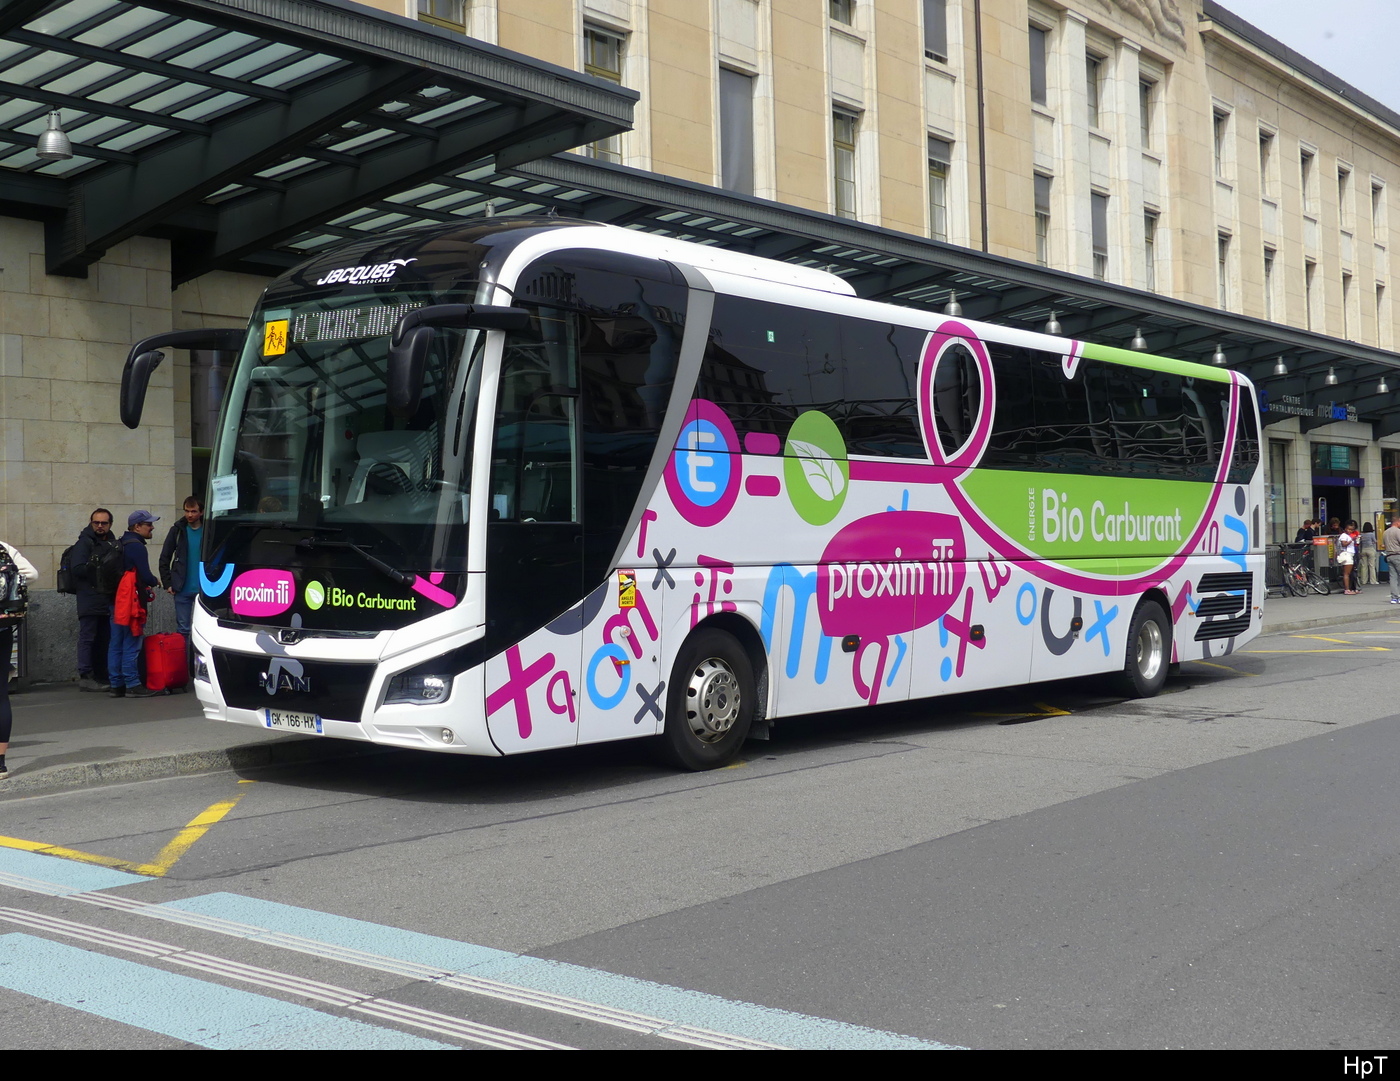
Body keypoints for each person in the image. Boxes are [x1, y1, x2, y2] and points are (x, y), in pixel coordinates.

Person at [109, 510, 161, 698]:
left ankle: (116, 684)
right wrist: (155, 580)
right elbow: (145, 575)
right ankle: (133, 683)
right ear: (137, 527)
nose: (152, 527)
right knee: (132, 641)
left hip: (115, 600)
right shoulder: (137, 546)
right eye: (148, 524)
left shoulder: (121, 543)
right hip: (131, 602)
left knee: (116, 643)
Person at [70, 507, 121, 692]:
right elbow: (77, 569)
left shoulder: (112, 541)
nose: (100, 526)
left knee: (104, 638)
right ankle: (86, 676)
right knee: (88, 638)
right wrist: (98, 567)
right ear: (91, 523)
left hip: (105, 599)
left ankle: (101, 675)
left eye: (104, 523)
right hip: (89, 599)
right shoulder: (84, 542)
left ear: (110, 524)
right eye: (96, 523)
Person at [0, 540, 36, 780]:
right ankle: (0, 764)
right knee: (1, 695)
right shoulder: (3, 548)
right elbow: (32, 574)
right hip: (1, 626)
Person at [159, 496, 204, 638]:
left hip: (203, 590)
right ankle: (183, 660)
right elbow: (164, 557)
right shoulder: (177, 530)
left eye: (194, 511)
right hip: (182, 588)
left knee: (203, 631)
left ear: (201, 512)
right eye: (187, 511)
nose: (190, 515)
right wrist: (167, 583)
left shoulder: (208, 530)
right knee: (183, 630)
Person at [1337, 520, 1359, 594]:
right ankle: (1347, 589)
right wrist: (1351, 540)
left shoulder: (1347, 536)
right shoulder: (1343, 535)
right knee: (1346, 573)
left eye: (1351, 530)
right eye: (1348, 529)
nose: (1350, 531)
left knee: (1349, 573)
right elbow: (1344, 544)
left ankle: (1350, 588)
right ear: (1345, 529)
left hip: (1350, 554)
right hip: (1347, 554)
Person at [1359, 522, 1379, 588]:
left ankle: (1363, 580)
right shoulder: (1371, 534)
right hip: (1370, 549)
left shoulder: (1361, 534)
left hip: (1363, 550)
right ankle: (1373, 581)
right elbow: (1375, 541)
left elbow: (1360, 543)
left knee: (1364, 566)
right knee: (1372, 566)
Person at [1385, 515, 1400, 604]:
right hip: (1398, 555)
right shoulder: (1397, 531)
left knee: (1393, 577)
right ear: (1397, 522)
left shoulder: (1385, 532)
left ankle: (1394, 597)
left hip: (1389, 555)